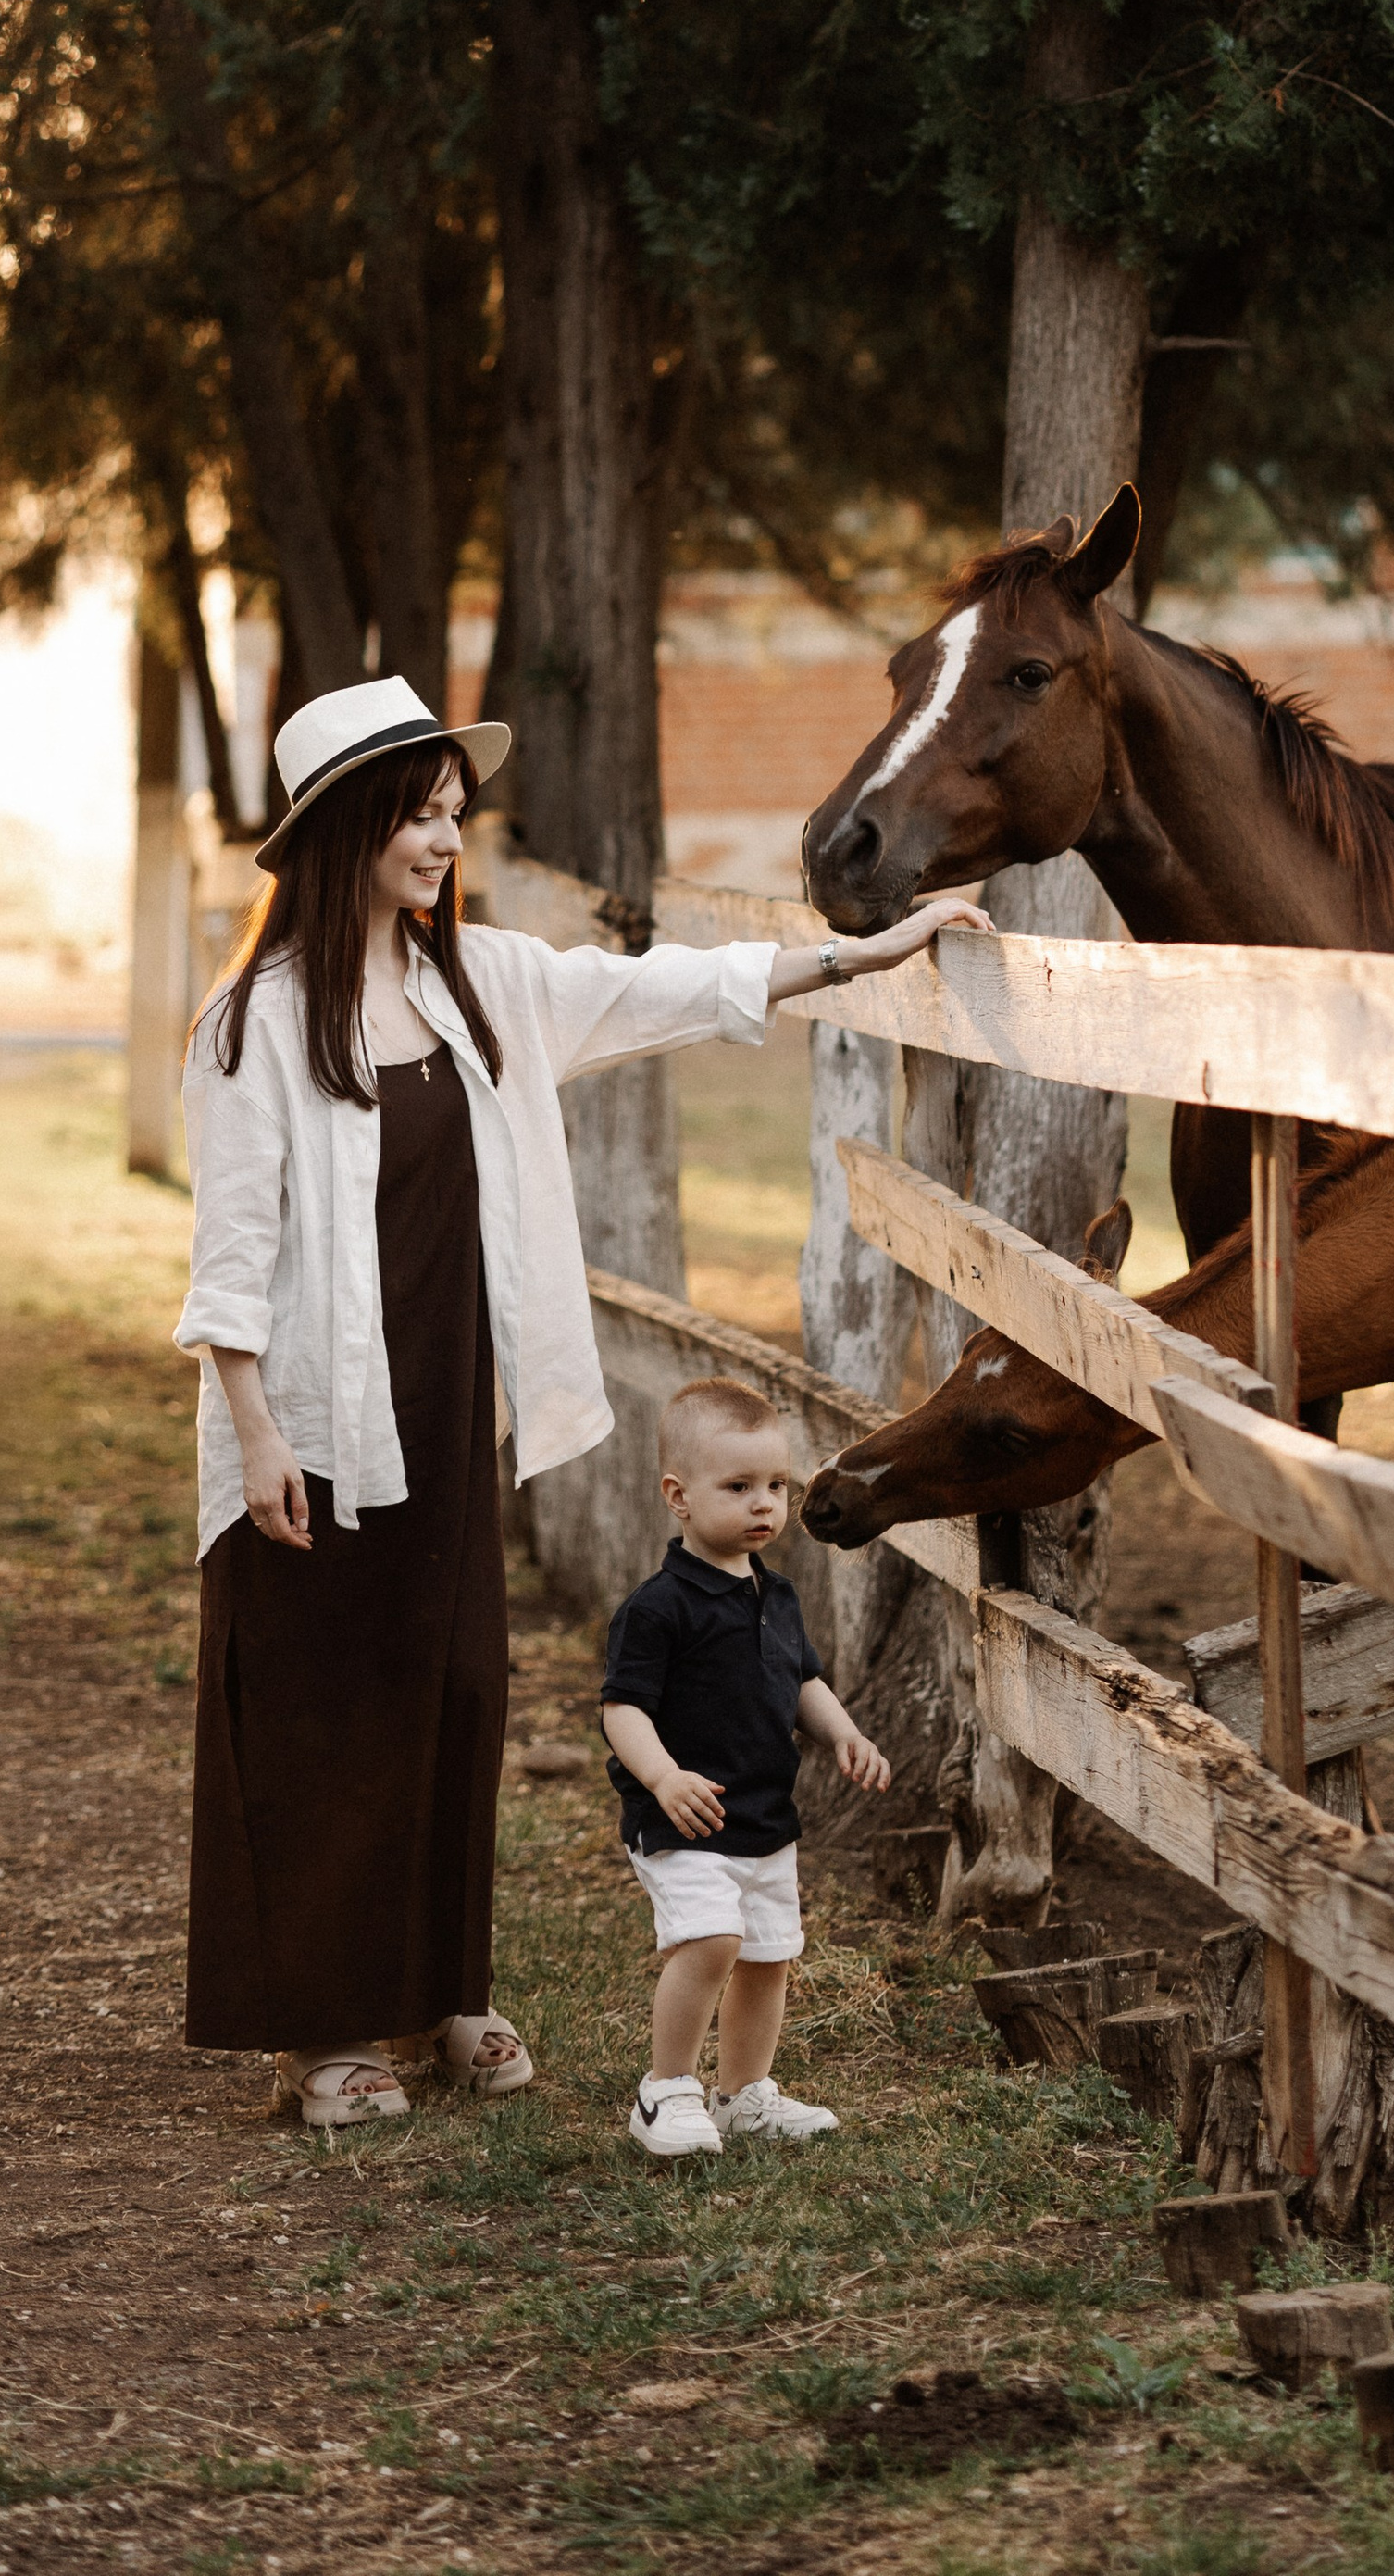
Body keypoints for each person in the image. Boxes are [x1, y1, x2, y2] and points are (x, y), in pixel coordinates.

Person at [174, 671, 986, 2129]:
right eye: (420, 817)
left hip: (447, 1409)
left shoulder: (484, 983)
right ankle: (322, 2033)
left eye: (453, 814)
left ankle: (440, 1995)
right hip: (310, 1427)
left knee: (450, 1700)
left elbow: (667, 987)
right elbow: (231, 1255)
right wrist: (256, 1431)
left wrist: (864, 954)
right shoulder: (256, 1025)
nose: (445, 841)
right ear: (348, 828)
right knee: (320, 1715)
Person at [600, 1376, 891, 2159]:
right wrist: (664, 1777)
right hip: (686, 1818)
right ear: (679, 1496)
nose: (764, 1504)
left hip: (766, 1819)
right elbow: (622, 1708)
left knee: (768, 1957)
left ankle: (742, 2097)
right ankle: (665, 2091)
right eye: (738, 1487)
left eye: (777, 1486)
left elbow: (802, 1681)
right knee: (711, 1941)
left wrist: (843, 1734)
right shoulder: (659, 1606)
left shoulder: (778, 1594)